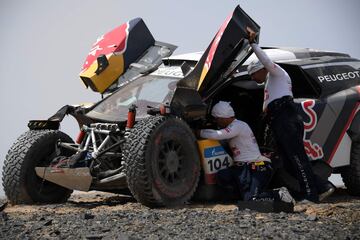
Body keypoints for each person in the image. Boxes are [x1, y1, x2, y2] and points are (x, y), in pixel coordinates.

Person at [246, 27, 335, 203]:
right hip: (279, 119)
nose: (252, 78)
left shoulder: (277, 72)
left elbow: (266, 60)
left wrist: (254, 45)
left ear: (261, 69)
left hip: (286, 117)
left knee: (297, 158)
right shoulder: (271, 81)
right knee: (289, 163)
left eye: (252, 74)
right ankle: (323, 187)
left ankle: (311, 196)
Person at [200, 101, 295, 204]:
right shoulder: (234, 127)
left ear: (223, 118)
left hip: (257, 167)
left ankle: (279, 194)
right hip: (242, 168)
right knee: (223, 175)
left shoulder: (238, 126)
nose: (216, 122)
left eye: (216, 119)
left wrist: (198, 132)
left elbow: (217, 135)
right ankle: (240, 196)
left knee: (252, 200)